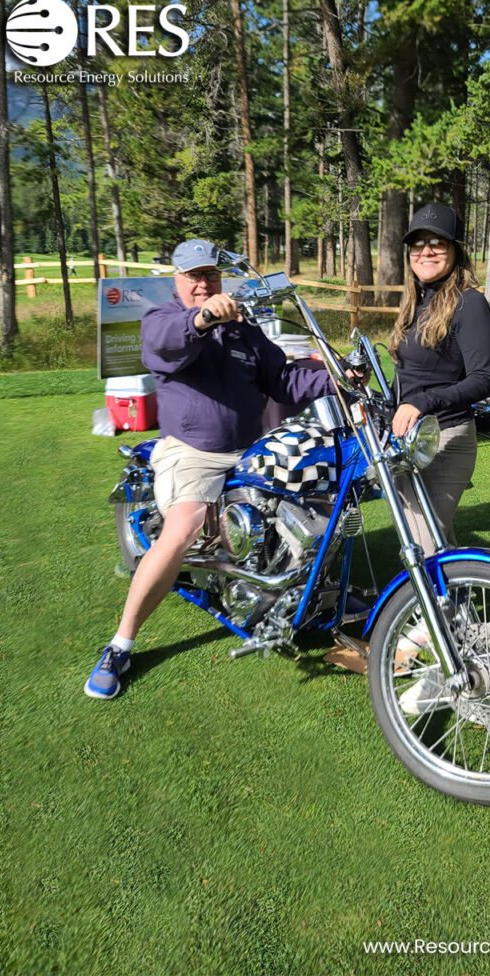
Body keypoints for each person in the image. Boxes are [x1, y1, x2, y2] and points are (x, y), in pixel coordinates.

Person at [85, 239, 340, 699]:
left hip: (251, 447)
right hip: (192, 450)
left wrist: (336, 374)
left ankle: (290, 587)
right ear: (177, 281)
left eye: (211, 276)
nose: (203, 283)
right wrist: (204, 318)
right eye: (194, 276)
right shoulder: (162, 319)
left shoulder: (244, 331)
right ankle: (120, 643)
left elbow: (282, 379)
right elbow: (168, 345)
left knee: (317, 492)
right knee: (182, 529)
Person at [389, 202, 490, 558]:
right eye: (418, 245)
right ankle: (457, 611)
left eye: (437, 243)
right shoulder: (417, 303)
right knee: (433, 543)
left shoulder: (469, 304)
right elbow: (411, 377)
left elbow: (483, 380)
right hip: (411, 440)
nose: (426, 252)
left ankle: (437, 611)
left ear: (456, 249)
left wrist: (423, 403)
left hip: (446, 439)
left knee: (423, 548)